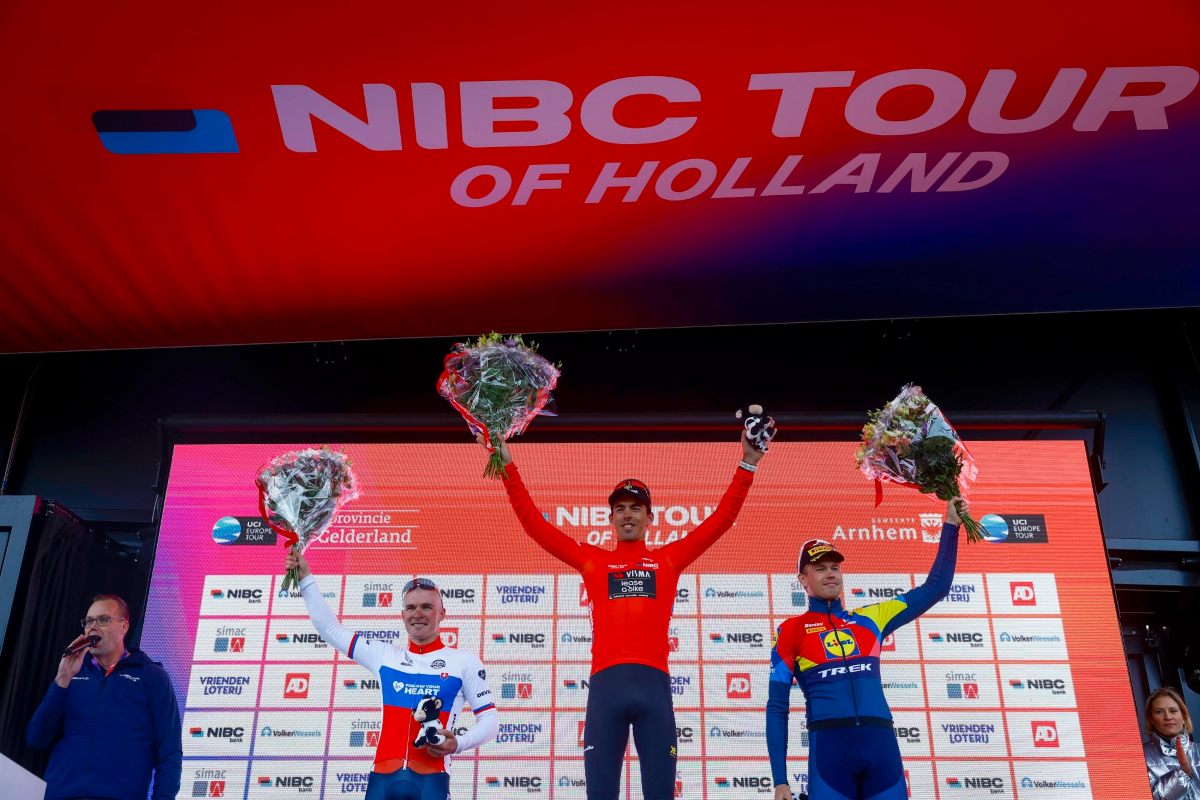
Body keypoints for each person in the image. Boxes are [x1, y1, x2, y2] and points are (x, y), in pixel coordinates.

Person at [484, 425, 771, 800]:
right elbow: (534, 524)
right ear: (611, 520)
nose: (627, 515)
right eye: (619, 509)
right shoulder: (593, 561)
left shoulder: (667, 561)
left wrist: (748, 463)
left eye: (636, 508)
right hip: (606, 691)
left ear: (650, 518)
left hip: (654, 691)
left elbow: (722, 520)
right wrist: (507, 466)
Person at [766, 499, 965, 800]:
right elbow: (777, 707)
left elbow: (935, 588)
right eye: (820, 569)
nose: (831, 574)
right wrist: (780, 780)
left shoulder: (871, 618)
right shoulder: (790, 631)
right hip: (830, 752)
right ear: (802, 580)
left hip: (881, 747)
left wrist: (951, 526)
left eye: (835, 567)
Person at [288, 549, 498, 800]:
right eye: (411, 607)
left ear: (442, 613)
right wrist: (305, 578)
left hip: (432, 780)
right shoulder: (385, 656)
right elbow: (330, 629)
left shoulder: (463, 662)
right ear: (402, 615)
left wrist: (458, 743)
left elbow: (490, 719)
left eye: (427, 607)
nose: (417, 613)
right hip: (382, 779)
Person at [26, 593, 182, 800]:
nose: (93, 627)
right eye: (89, 621)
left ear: (124, 626)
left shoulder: (151, 676)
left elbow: (169, 752)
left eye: (103, 620)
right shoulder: (71, 674)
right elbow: (36, 739)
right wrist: (62, 678)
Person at [1144, 686, 1200, 800]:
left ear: (1184, 717)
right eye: (1159, 712)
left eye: (1173, 711)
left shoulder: (1198, 751)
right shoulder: (1140, 756)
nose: (1168, 717)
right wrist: (1183, 774)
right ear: (1151, 720)